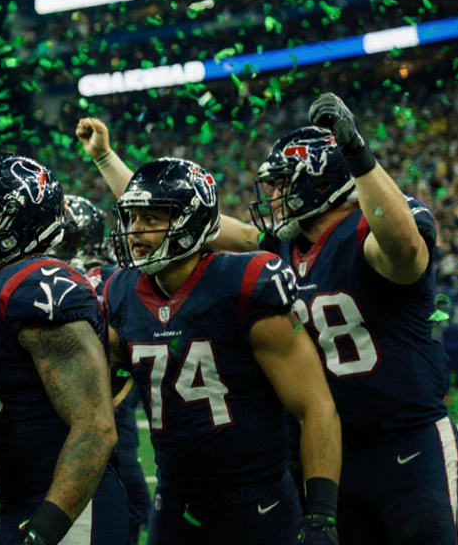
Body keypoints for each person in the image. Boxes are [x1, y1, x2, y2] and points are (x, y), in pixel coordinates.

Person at [242, 96, 458, 544]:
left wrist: (355, 148)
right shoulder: (285, 246)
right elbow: (203, 230)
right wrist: (112, 163)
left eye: (283, 185)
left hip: (408, 440)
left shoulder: (371, 228)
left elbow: (404, 249)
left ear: (319, 181)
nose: (274, 197)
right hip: (332, 454)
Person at [99, 157, 342, 545]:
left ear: (189, 222)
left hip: (258, 503)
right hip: (175, 502)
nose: (135, 232)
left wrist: (322, 514)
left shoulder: (243, 283)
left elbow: (314, 405)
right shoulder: (121, 291)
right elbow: (108, 384)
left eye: (150, 218)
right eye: (132, 218)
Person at [0, 154, 121, 545]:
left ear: (26, 221)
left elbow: (95, 427)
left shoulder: (35, 285)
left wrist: (46, 530)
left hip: (68, 504)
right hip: (21, 500)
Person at [55, 195, 150, 545]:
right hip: (110, 394)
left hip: (83, 398)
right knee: (124, 483)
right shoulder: (114, 275)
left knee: (114, 482)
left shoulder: (57, 279)